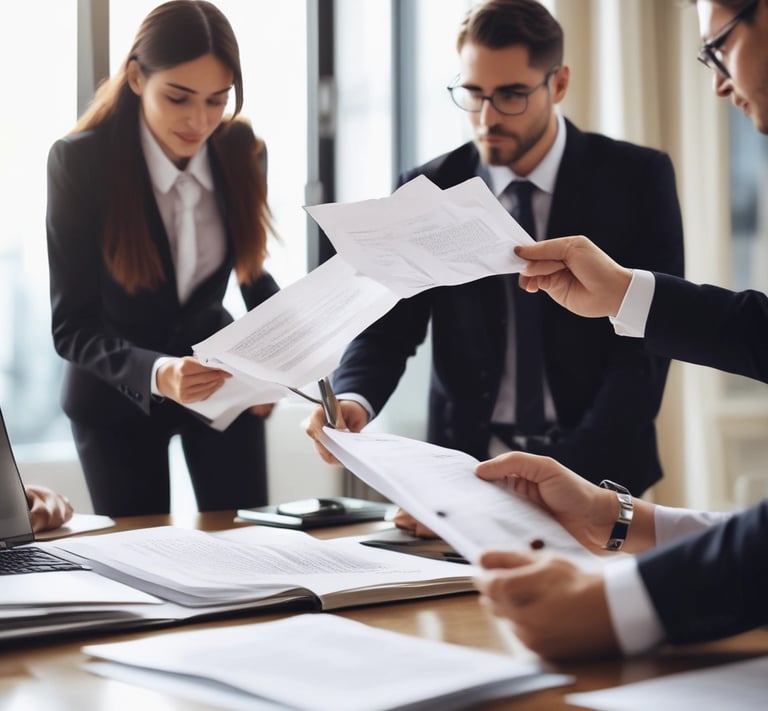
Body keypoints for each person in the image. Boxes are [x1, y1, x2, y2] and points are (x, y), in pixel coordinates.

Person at [474, 0, 768, 660]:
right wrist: (617, 518)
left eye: (718, 44)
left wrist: (619, 605)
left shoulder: (633, 171)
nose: (718, 80)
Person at [305, 0, 685, 508]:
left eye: (510, 96)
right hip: (467, 470)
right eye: (473, 93)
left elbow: (645, 350)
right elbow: (390, 327)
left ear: (560, 83)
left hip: (605, 471)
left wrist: (572, 477)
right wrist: (354, 399)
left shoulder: (637, 179)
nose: (486, 118)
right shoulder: (429, 187)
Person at [46, 0, 279, 517]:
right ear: (135, 78)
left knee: (248, 547)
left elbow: (253, 273)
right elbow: (72, 327)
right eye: (179, 98)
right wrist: (158, 373)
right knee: (142, 561)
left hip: (220, 382)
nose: (200, 121)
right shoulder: (81, 162)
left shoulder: (241, 150)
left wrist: (280, 363)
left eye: (218, 100)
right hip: (114, 397)